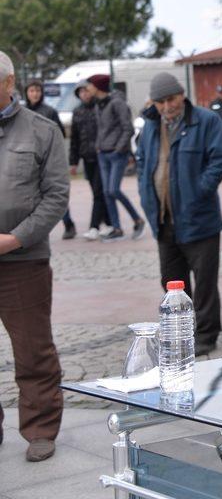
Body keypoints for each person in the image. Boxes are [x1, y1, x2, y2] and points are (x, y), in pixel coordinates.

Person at [0, 51, 68, 462]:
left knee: (32, 350)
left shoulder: (42, 131)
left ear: (7, 83)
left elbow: (56, 196)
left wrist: (12, 240)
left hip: (23, 262)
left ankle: (40, 428)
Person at [136, 72, 222, 356]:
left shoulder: (206, 121)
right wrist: (146, 196)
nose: (167, 106)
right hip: (163, 219)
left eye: (171, 99)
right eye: (160, 101)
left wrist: (200, 190)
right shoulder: (151, 126)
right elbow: (143, 162)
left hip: (199, 218)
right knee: (171, 281)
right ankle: (180, 330)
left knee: (204, 283)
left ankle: (206, 334)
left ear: (182, 95)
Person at [86, 74, 145, 242]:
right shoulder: (99, 105)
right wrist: (98, 146)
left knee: (113, 190)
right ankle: (117, 228)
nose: (87, 88)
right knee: (106, 192)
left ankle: (138, 220)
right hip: (103, 153)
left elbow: (128, 128)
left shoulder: (117, 103)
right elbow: (101, 129)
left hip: (116, 154)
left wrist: (118, 149)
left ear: (97, 86)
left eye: (89, 85)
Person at [25, 78, 77, 240]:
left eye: (37, 91)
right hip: (27, 159)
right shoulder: (21, 112)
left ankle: (68, 223)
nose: (35, 94)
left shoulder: (50, 111)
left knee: (52, 193)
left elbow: (59, 133)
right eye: (32, 91)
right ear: (27, 93)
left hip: (46, 159)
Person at [69, 79, 113, 240]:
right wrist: (73, 161)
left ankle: (94, 226)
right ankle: (110, 223)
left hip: (102, 156)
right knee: (98, 192)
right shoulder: (77, 112)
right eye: (81, 92)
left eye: (86, 90)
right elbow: (74, 138)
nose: (84, 94)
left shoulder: (99, 107)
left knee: (98, 192)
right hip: (87, 158)